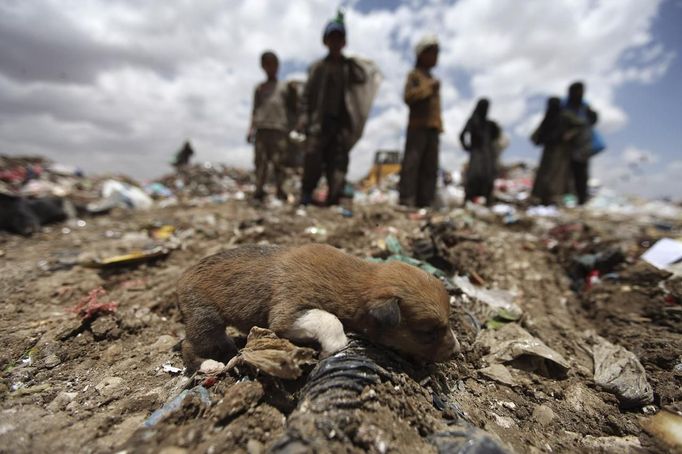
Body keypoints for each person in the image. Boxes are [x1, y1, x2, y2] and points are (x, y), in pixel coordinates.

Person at [297, 11, 368, 206]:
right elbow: (306, 95)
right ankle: (306, 194)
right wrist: (303, 116)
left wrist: (351, 61)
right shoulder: (318, 68)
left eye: (339, 38)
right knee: (312, 158)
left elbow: (363, 78)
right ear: (325, 41)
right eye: (332, 38)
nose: (335, 42)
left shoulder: (348, 67)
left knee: (338, 162)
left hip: (340, 124)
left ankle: (334, 196)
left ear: (344, 42)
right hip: (318, 123)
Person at [398, 35, 442, 208]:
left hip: (433, 128)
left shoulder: (432, 78)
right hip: (417, 127)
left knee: (430, 167)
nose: (436, 57)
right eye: (432, 53)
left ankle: (425, 202)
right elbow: (408, 97)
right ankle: (407, 199)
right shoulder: (415, 75)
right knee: (412, 164)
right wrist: (429, 88)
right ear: (421, 54)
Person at [248, 51, 291, 202]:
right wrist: (250, 129)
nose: (270, 67)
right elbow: (254, 109)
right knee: (260, 161)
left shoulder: (285, 87)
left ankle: (281, 189)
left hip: (279, 128)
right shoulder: (259, 88)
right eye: (267, 64)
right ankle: (259, 189)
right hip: (262, 128)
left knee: (280, 161)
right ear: (263, 67)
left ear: (278, 66)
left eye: (273, 64)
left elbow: (292, 108)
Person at [561, 81, 598, 205]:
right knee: (567, 174)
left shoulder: (585, 107)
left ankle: (581, 200)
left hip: (583, 146)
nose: (580, 94)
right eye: (577, 91)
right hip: (568, 148)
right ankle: (569, 198)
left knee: (581, 174)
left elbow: (593, 120)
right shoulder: (567, 107)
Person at [459, 98, 501, 205]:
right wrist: (467, 147)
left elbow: (496, 135)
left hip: (487, 154)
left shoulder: (489, 124)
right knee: (474, 175)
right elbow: (462, 135)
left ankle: (487, 199)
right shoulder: (473, 121)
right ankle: (469, 198)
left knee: (487, 176)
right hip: (477, 152)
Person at [530, 97, 571, 205]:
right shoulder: (549, 117)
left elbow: (578, 125)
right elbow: (538, 134)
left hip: (560, 150)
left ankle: (552, 197)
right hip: (549, 149)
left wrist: (568, 135)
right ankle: (544, 197)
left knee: (555, 174)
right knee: (546, 174)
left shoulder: (565, 116)